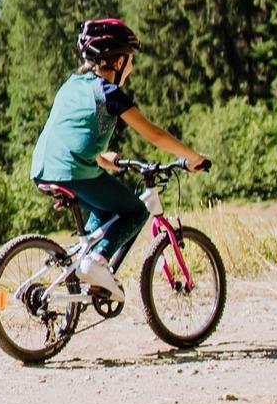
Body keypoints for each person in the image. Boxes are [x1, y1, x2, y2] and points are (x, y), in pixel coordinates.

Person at [27, 18, 209, 297]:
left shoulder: (73, 83)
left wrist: (100, 158)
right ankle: (97, 262)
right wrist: (193, 157)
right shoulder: (109, 93)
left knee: (105, 211)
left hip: (43, 167)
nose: (132, 67)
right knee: (135, 211)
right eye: (131, 60)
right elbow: (155, 135)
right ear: (119, 61)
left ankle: (79, 260)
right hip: (72, 170)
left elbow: (71, 131)